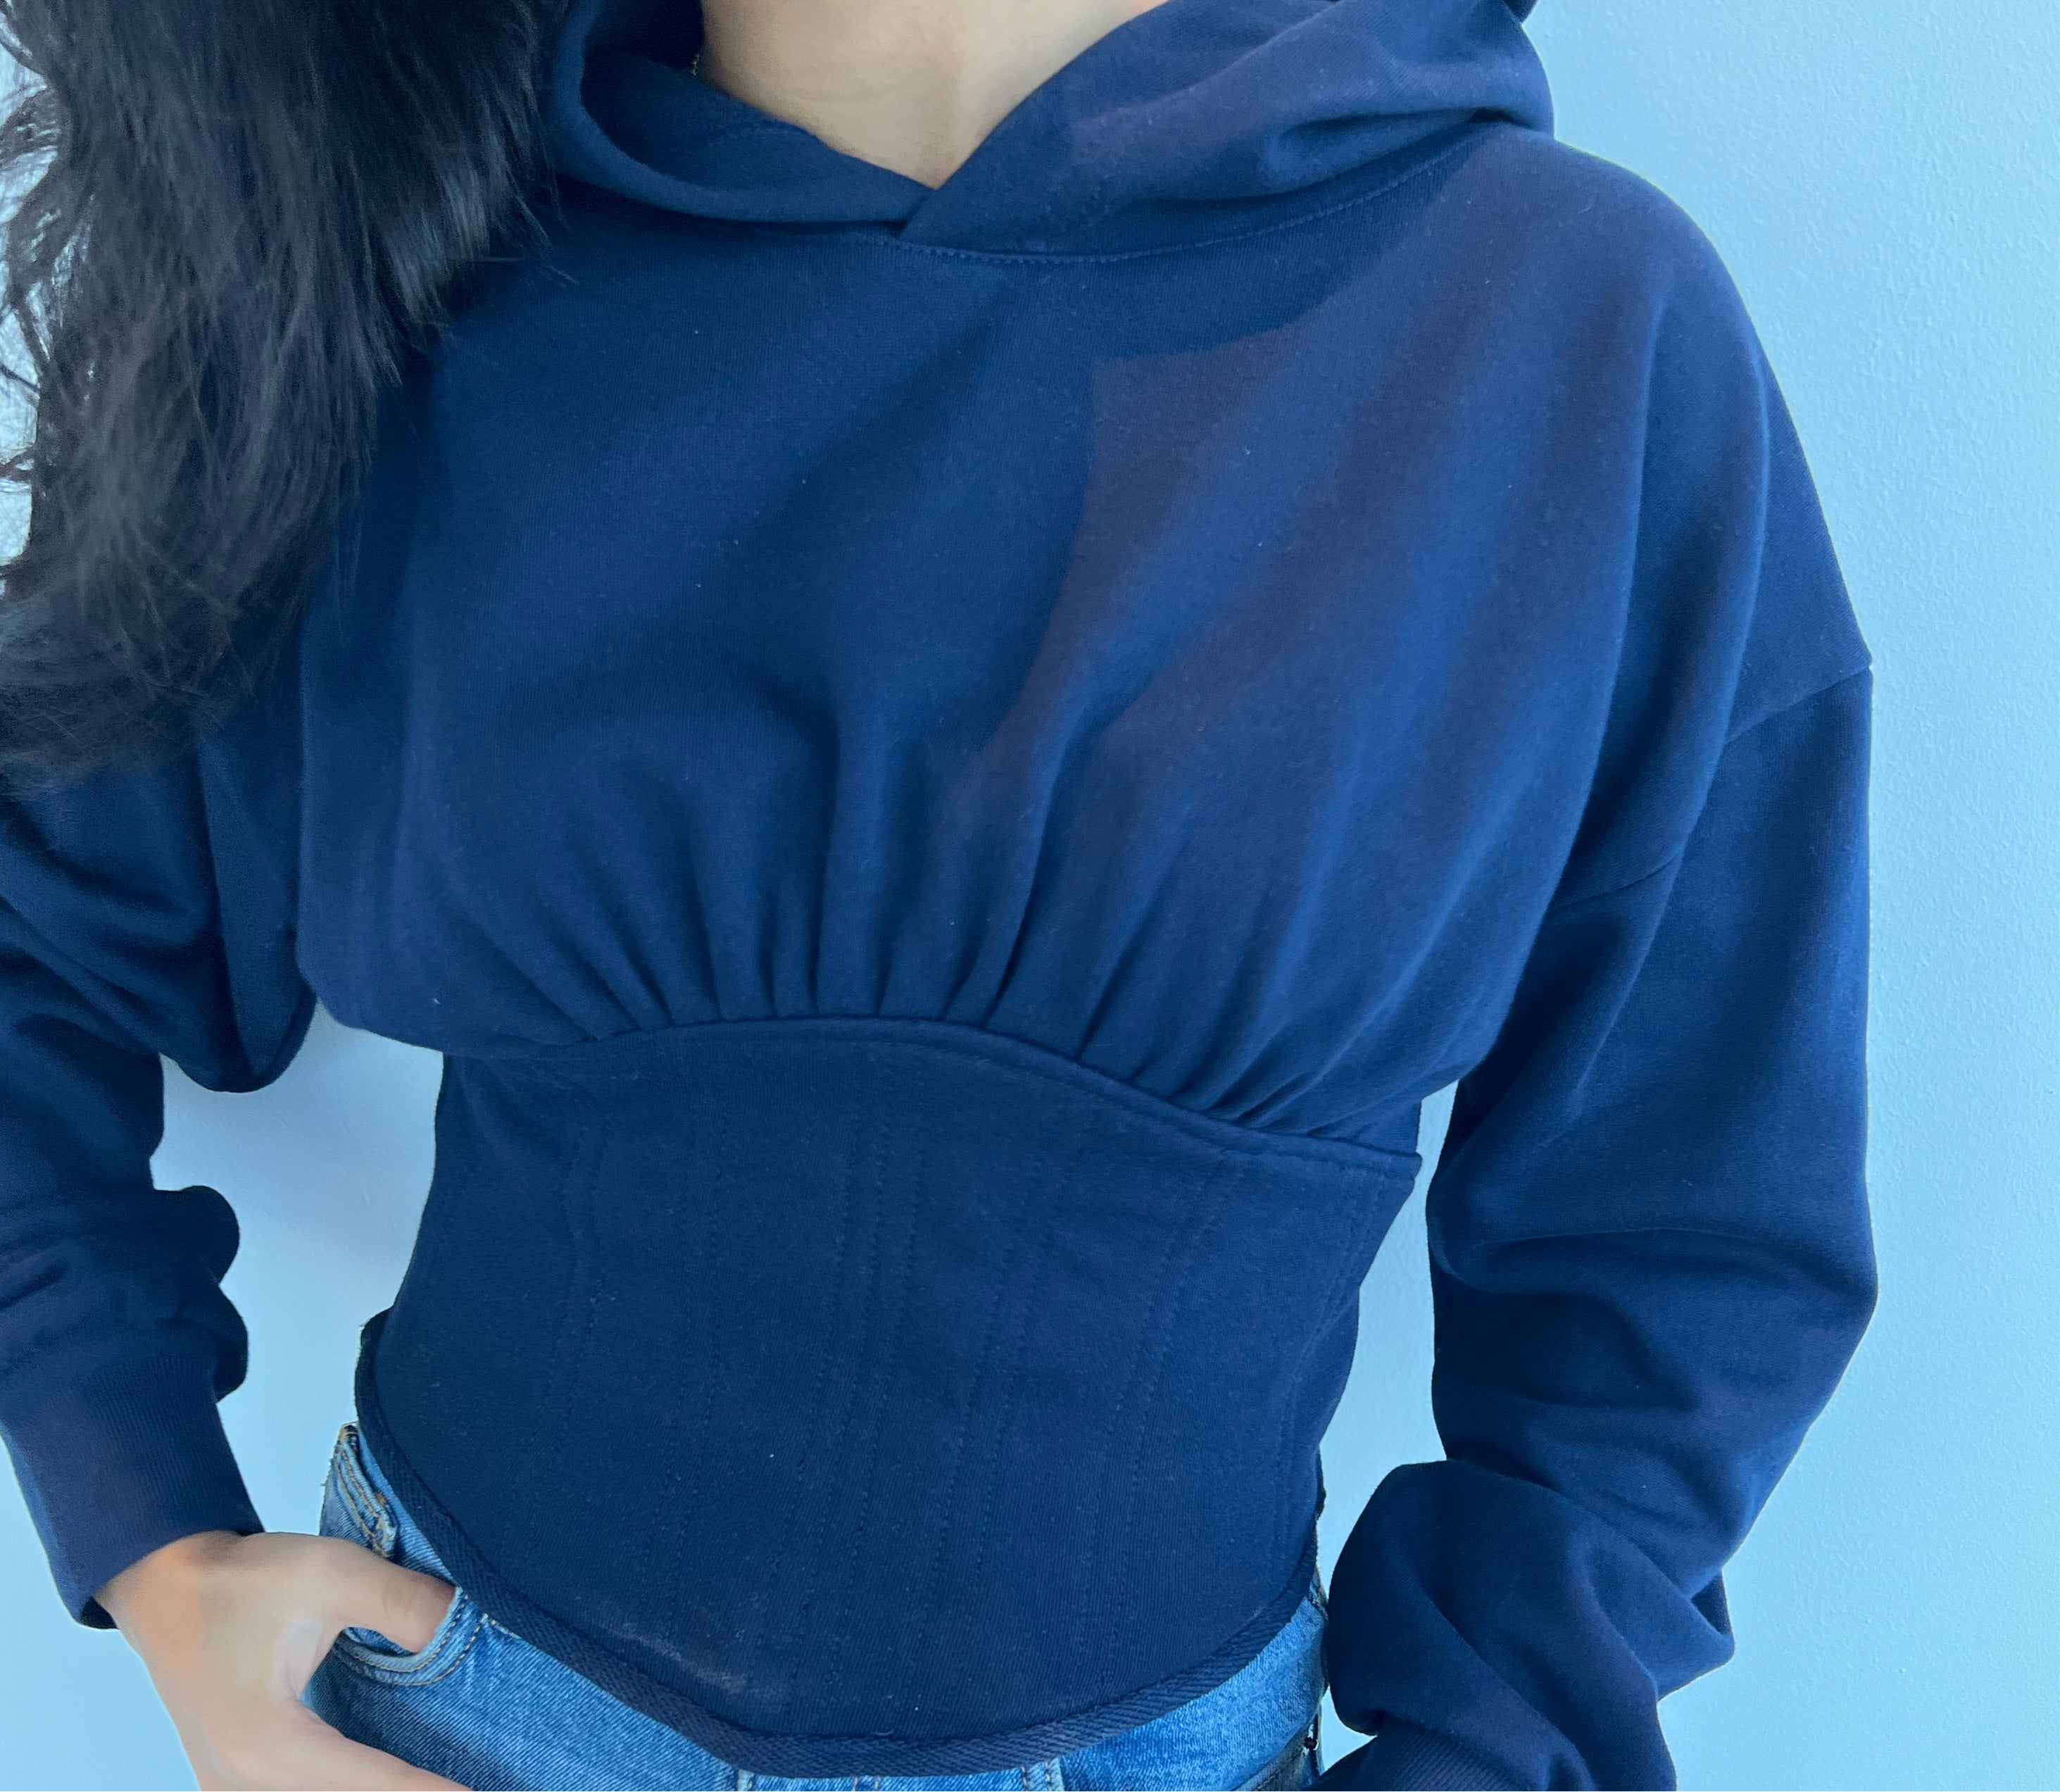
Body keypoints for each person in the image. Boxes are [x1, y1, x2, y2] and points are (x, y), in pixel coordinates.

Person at [0, 0, 1878, 1787]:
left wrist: (1487, 1754)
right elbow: (35, 943)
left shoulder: (1565, 327)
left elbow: (1684, 1228)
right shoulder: (397, 274)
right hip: (443, 1721)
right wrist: (147, 1528)